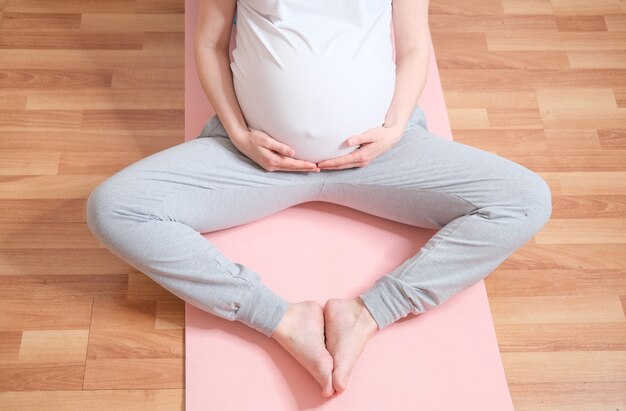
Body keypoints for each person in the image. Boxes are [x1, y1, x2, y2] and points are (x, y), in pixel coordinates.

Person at [86, 0, 552, 399]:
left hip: (380, 158)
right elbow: (209, 44)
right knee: (113, 208)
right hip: (253, 160)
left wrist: (392, 131)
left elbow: (412, 48)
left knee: (526, 199)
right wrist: (240, 134)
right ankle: (285, 321)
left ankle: (366, 315)